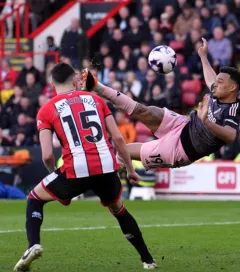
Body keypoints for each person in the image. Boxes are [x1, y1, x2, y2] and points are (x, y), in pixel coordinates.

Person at [14, 63, 157, 271]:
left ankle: (33, 244)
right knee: (119, 210)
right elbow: (117, 138)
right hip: (107, 166)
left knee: (34, 199)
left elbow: (46, 155)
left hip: (76, 169)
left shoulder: (46, 109)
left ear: (52, 83)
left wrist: (54, 175)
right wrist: (131, 169)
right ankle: (147, 260)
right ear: (75, 80)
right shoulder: (97, 99)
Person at [82, 38, 240, 170]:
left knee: (123, 149)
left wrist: (207, 122)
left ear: (232, 88)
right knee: (145, 110)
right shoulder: (217, 92)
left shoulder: (234, 108)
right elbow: (211, 78)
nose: (215, 84)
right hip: (183, 124)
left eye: (220, 82)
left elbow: (231, 136)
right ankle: (96, 86)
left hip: (181, 150)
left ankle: (116, 168)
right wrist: (203, 56)